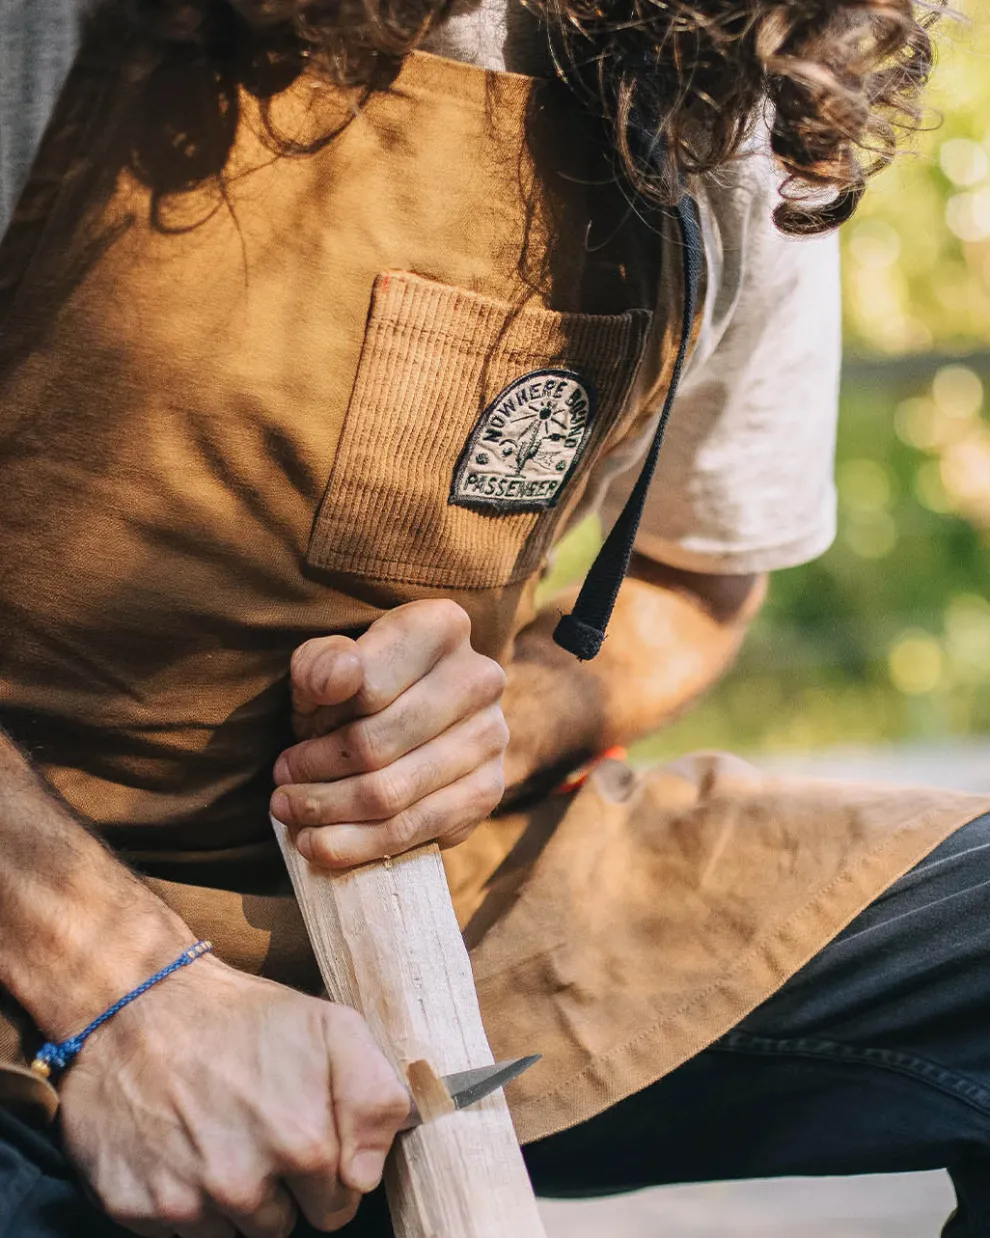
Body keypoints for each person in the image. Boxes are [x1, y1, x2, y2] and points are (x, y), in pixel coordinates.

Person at [1, 2, 988, 1236]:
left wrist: (503, 723)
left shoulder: (735, 81)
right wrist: (122, 989)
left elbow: (696, 580)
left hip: (429, 889)